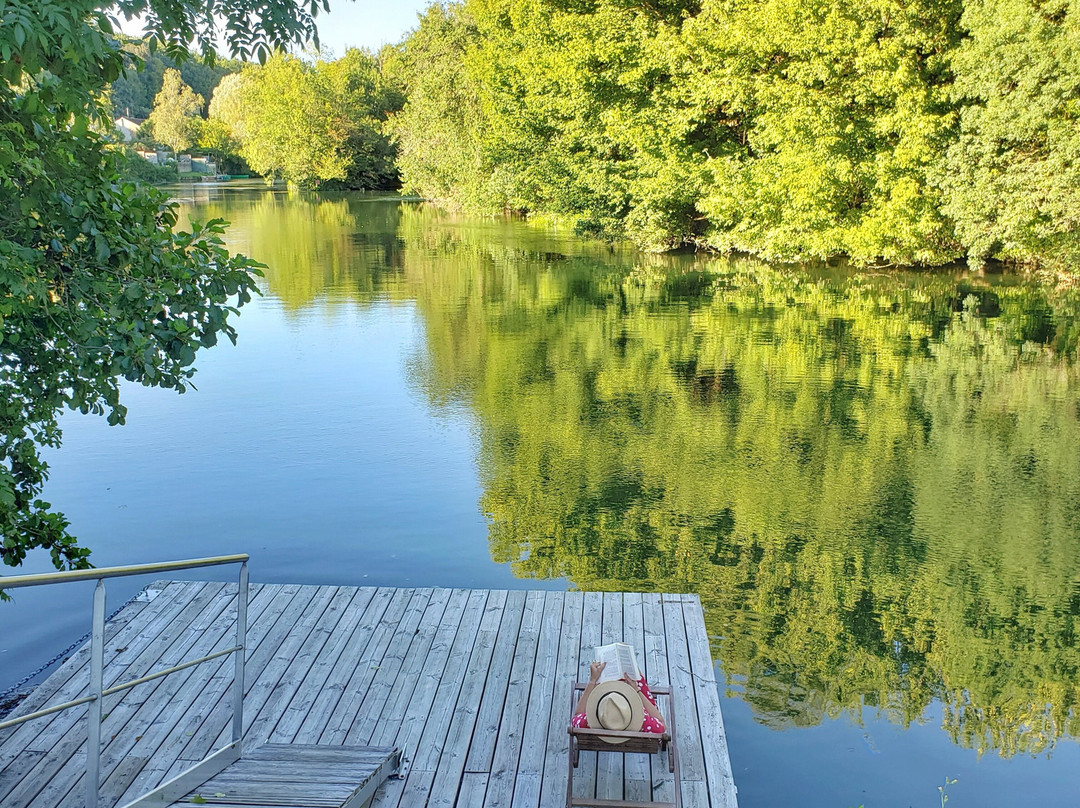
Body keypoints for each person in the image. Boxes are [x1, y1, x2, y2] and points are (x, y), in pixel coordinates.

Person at [571, 661, 665, 733]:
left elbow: (577, 715)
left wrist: (593, 680)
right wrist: (636, 690)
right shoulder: (644, 722)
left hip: (605, 709)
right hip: (633, 711)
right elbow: (661, 723)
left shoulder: (587, 724)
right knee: (634, 675)